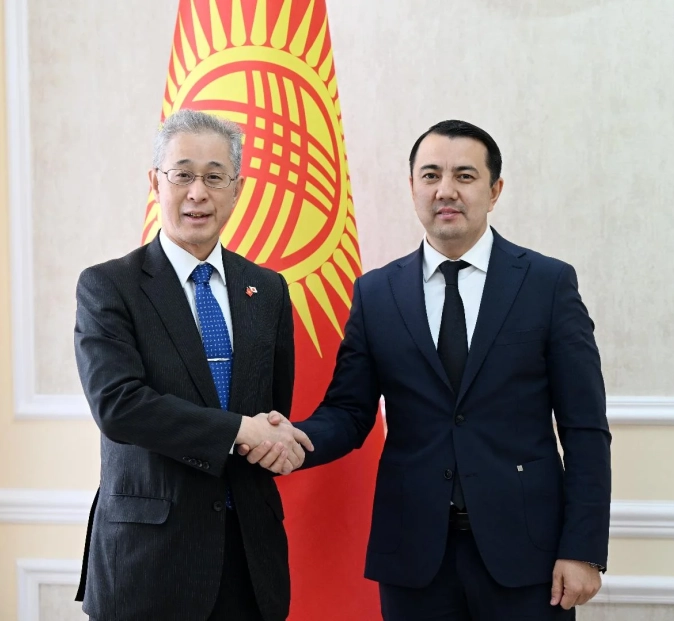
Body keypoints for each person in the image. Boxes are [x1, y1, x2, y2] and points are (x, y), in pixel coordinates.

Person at [245, 120, 611, 619]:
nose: (446, 190)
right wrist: (291, 440)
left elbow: (585, 428)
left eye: (465, 176)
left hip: (528, 556)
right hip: (413, 558)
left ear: (494, 190)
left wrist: (583, 548)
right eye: (431, 175)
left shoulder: (547, 284)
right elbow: (349, 412)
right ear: (413, 186)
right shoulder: (377, 293)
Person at [73, 108, 312, 621]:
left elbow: (272, 408)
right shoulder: (109, 287)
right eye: (182, 175)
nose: (197, 193)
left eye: (214, 177)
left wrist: (275, 442)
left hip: (250, 559)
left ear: (237, 189)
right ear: (155, 182)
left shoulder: (267, 290)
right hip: (149, 564)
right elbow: (119, 406)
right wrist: (240, 430)